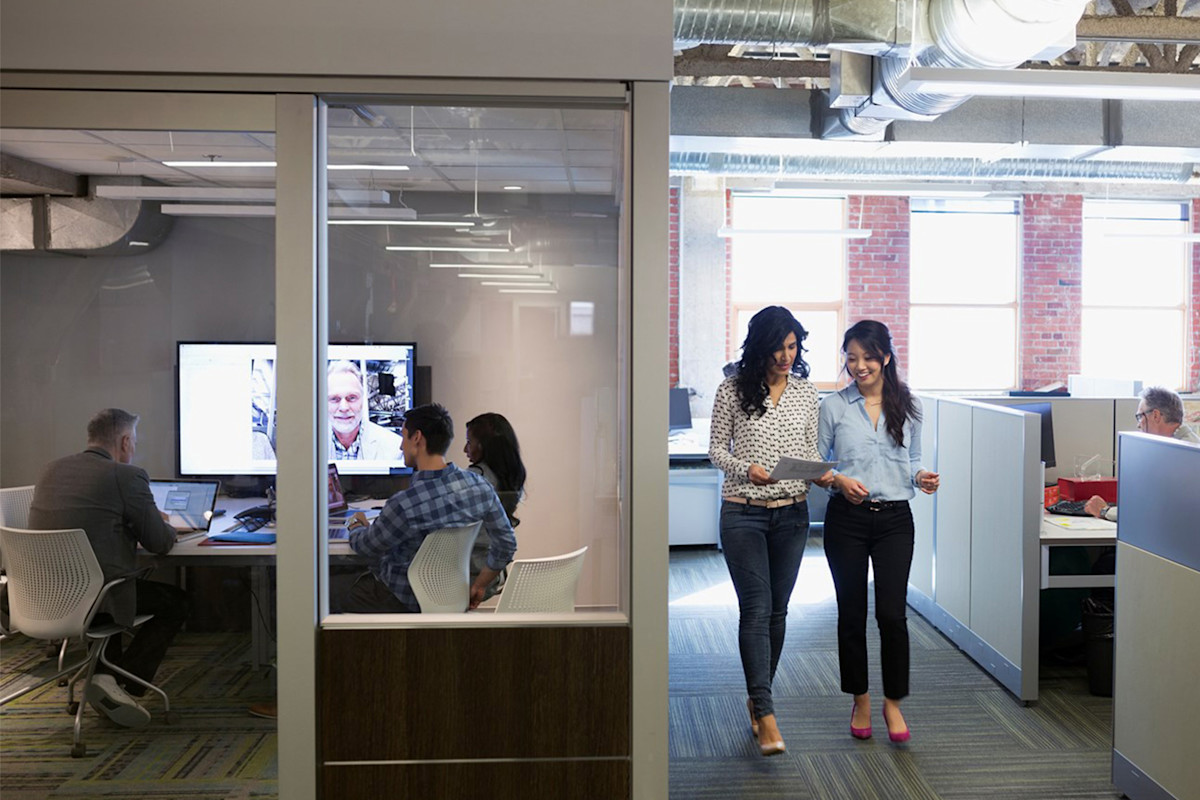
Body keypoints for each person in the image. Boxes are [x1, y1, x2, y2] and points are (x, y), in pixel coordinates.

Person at [815, 320, 939, 744]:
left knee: (892, 614)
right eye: (851, 358)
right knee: (851, 613)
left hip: (894, 520)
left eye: (867, 357)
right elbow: (818, 465)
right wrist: (837, 480)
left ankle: (893, 703)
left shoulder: (911, 405)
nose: (859, 366)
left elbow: (915, 458)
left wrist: (922, 476)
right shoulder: (833, 406)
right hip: (846, 521)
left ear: (885, 356)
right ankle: (861, 698)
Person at [27, 408, 188, 728]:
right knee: (176, 601)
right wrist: (164, 523)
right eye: (135, 442)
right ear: (125, 441)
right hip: (97, 595)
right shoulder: (126, 476)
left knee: (108, 577)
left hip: (42, 593)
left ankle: (106, 677)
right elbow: (159, 543)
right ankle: (125, 685)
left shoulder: (50, 469)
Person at [708, 306, 821, 757]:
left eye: (793, 346)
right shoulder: (731, 390)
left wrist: (824, 474)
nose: (785, 355)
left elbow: (809, 450)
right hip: (743, 513)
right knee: (756, 609)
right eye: (777, 346)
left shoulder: (806, 393)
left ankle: (758, 697)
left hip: (793, 514)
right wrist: (745, 468)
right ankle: (769, 712)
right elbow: (716, 449)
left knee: (778, 613)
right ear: (759, 345)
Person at [336, 403, 517, 613]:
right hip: (453, 595)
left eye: (403, 437)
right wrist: (479, 585)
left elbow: (366, 546)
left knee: (325, 588)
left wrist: (355, 525)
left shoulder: (404, 504)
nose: (400, 447)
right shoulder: (480, 487)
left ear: (417, 438)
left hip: (402, 598)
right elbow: (507, 544)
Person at [1084, 385, 1200, 521]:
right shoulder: (1178, 447)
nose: (1139, 425)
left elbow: (1153, 512)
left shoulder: (1182, 455)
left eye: (1140, 416)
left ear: (1156, 415)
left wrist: (1105, 511)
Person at [463, 412, 527, 601]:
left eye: (469, 442)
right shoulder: (510, 478)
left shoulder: (475, 478)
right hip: (491, 574)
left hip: (469, 577)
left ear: (482, 446)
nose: (465, 449)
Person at [327, 360, 402, 462]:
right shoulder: (306, 446)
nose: (344, 408)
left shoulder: (394, 447)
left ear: (363, 399)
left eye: (352, 398)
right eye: (334, 399)